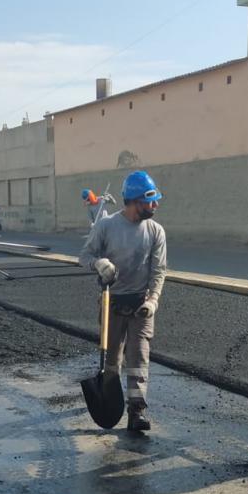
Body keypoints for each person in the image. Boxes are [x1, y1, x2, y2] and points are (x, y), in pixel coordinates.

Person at [78, 171, 167, 431]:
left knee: (139, 356)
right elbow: (84, 256)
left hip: (141, 304)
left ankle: (136, 412)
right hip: (112, 302)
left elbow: (159, 271)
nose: (156, 205)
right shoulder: (106, 226)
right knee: (112, 360)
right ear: (135, 202)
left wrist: (153, 300)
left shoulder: (155, 231)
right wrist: (99, 263)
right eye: (151, 200)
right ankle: (110, 401)